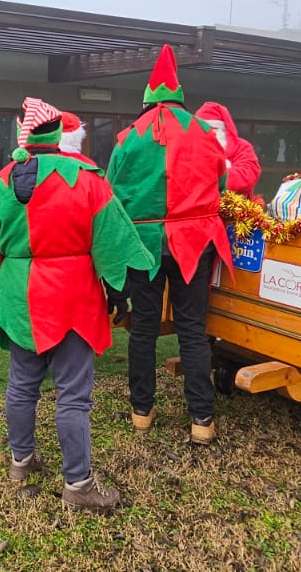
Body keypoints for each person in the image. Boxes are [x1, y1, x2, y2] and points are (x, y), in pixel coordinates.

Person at [0, 98, 152, 511]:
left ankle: (20, 462)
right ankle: (78, 485)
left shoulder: (0, 183)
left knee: (22, 386)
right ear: (59, 135)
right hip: (73, 299)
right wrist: (119, 297)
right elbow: (115, 243)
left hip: (17, 298)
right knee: (74, 395)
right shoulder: (88, 179)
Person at [107, 45, 230, 445]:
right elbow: (221, 186)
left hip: (144, 244)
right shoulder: (205, 134)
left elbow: (111, 194)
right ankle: (201, 420)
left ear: (147, 99)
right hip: (195, 242)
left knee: (143, 329)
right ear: (179, 98)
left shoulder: (128, 139)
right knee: (193, 330)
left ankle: (141, 411)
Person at [195, 102, 262, 200]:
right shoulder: (189, 148)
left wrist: (208, 177)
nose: (206, 133)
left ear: (221, 129)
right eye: (201, 129)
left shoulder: (242, 147)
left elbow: (248, 176)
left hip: (235, 209)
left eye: (211, 129)